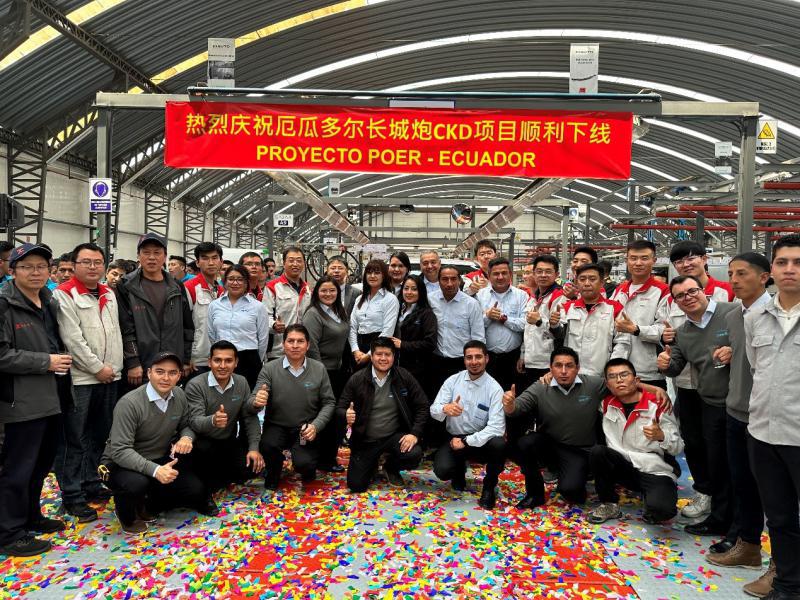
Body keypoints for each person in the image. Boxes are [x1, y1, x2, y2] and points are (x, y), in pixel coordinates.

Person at [503, 347, 671, 509]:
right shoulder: (541, 386)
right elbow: (516, 409)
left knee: (571, 492)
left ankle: (577, 476)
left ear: (578, 368)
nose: (563, 371)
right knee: (526, 443)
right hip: (552, 446)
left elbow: (620, 385)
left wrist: (655, 389)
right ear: (550, 368)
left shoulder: (592, 384)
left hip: (580, 451)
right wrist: (509, 405)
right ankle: (535, 494)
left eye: (569, 366)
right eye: (558, 366)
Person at [0, 243, 71, 557]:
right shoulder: (5, 305)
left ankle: (31, 516)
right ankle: (9, 532)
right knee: (17, 468)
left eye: (41, 266)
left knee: (41, 465)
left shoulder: (49, 301)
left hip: (52, 397)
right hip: (22, 401)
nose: (35, 272)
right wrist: (46, 362)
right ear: (12, 270)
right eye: (27, 266)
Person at [704, 254, 771, 582]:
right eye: (731, 273)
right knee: (741, 482)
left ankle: (781, 565)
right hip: (736, 409)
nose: (734, 280)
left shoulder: (775, 315)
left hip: (767, 415)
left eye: (742, 273)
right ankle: (747, 544)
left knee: (772, 489)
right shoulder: (733, 315)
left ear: (764, 277)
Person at [657, 240, 735, 522]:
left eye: (693, 292)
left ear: (704, 259)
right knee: (694, 440)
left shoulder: (729, 299)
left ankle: (728, 500)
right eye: (679, 260)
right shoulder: (672, 307)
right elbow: (670, 342)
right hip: (688, 384)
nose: (687, 297)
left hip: (725, 389)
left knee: (722, 446)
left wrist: (733, 350)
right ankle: (705, 491)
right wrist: (665, 358)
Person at [101, 352, 214, 535]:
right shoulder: (129, 403)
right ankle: (126, 513)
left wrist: (186, 438)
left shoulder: (179, 394)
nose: (165, 378)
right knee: (136, 484)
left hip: (159, 457)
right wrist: (155, 470)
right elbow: (120, 450)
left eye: (172, 373)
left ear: (179, 375)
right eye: (160, 372)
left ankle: (146, 501)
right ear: (149, 373)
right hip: (120, 463)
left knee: (194, 489)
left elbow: (187, 425)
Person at [744, 234, 800, 599]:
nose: (790, 269)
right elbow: (757, 367)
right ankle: (788, 585)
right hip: (764, 432)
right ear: (772, 270)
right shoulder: (755, 317)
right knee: (779, 517)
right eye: (782, 262)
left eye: (798, 262)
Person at [53, 242, 123, 523]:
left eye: (98, 262)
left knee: (99, 434)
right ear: (74, 265)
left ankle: (91, 482)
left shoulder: (109, 293)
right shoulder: (64, 294)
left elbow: (115, 333)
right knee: (74, 438)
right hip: (82, 379)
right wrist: (97, 368)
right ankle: (72, 495)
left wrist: (113, 369)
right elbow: (72, 339)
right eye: (86, 262)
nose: (93, 267)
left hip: (110, 376)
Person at [587, 358, 683, 525]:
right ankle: (609, 503)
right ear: (607, 385)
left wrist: (662, 436)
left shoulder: (658, 405)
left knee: (662, 511)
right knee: (598, 452)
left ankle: (653, 494)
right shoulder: (605, 404)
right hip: (623, 467)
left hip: (654, 470)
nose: (619, 380)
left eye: (624, 375)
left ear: (636, 380)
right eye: (613, 377)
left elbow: (678, 447)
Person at [337, 337, 428, 493]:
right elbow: (340, 407)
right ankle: (372, 464)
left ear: (394, 356)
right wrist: (346, 414)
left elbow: (423, 405)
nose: (383, 358)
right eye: (379, 354)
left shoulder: (403, 376)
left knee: (414, 454)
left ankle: (390, 467)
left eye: (388, 354)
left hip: (393, 436)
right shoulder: (357, 379)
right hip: (365, 440)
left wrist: (414, 433)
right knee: (356, 485)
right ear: (371, 356)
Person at [250, 324, 335, 489]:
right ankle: (274, 469)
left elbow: (329, 402)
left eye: (300, 341)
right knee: (268, 445)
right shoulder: (269, 368)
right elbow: (252, 400)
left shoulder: (319, 368)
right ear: (283, 344)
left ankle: (307, 466)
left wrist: (316, 426)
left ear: (308, 345)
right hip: (277, 425)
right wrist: (256, 401)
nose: (295, 345)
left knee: (305, 464)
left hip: (305, 428)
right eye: (290, 341)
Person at [430, 340, 506, 509]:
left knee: (499, 444)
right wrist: (445, 409)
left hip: (481, 440)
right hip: (454, 438)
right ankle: (458, 471)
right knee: (442, 470)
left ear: (487, 359)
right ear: (464, 360)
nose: (474, 361)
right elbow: (433, 410)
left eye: (478, 357)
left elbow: (497, 428)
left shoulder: (494, 388)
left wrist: (466, 441)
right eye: (469, 357)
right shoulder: (452, 381)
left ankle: (489, 487)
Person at [116, 233, 194, 388]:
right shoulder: (126, 285)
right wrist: (133, 362)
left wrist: (185, 359)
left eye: (157, 253)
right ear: (138, 256)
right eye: (146, 252)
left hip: (172, 363)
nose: (151, 257)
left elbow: (187, 326)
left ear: (165, 256)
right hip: (142, 366)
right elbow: (125, 327)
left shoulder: (177, 286)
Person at [184, 341, 264, 493]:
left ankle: (223, 473)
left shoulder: (241, 382)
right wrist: (213, 420)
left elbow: (249, 418)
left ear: (236, 363)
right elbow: (194, 421)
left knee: (251, 469)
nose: (222, 366)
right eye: (217, 360)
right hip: (203, 443)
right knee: (210, 484)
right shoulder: (196, 385)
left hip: (228, 440)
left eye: (228, 361)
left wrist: (254, 449)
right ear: (209, 362)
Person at [303, 275, 350, 472]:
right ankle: (322, 459)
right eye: (324, 290)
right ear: (317, 292)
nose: (328, 294)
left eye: (332, 290)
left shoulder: (339, 311)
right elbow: (312, 347)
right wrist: (321, 375)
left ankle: (329, 457)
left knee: (336, 417)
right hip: (322, 373)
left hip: (338, 372)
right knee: (324, 416)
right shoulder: (313, 314)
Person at [550, 263, 630, 376]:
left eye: (592, 279)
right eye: (582, 279)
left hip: (602, 375)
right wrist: (554, 325)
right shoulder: (567, 307)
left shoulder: (615, 308)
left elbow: (622, 342)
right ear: (576, 282)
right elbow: (559, 336)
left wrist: (613, 369)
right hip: (572, 374)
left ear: (601, 282)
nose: (587, 283)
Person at [610, 240, 671, 388]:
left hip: (648, 372)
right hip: (618, 368)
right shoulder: (619, 290)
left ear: (654, 260)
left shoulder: (663, 291)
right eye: (633, 258)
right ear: (627, 260)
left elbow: (664, 330)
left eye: (644, 258)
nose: (638, 263)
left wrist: (636, 329)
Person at [207, 265, 269, 389]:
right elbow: (211, 334)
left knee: (248, 395)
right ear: (224, 282)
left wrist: (256, 359)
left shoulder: (258, 307)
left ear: (246, 283)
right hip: (222, 360)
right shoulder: (214, 305)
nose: (235, 283)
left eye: (240, 279)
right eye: (231, 279)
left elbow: (263, 339)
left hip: (249, 360)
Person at [429, 266, 486, 391]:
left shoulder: (471, 304)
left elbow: (478, 337)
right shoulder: (431, 300)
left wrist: (476, 363)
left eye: (453, 279)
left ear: (459, 281)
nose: (449, 283)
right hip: (436, 361)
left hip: (461, 363)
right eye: (445, 279)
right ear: (438, 281)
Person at [475, 257, 528, 390]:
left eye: (504, 273)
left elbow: (525, 325)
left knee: (512, 394)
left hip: (513, 357)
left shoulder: (522, 296)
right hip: (488, 358)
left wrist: (504, 319)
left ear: (510, 274)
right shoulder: (480, 296)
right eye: (496, 274)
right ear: (488, 276)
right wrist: (487, 316)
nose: (500, 277)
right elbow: (474, 326)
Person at [518, 254, 564, 388]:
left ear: (556, 274)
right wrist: (523, 355)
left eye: (548, 271)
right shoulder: (534, 297)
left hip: (547, 363)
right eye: (539, 271)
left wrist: (539, 322)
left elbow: (561, 334)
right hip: (531, 361)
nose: (543, 275)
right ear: (534, 274)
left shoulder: (559, 297)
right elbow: (528, 329)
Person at [390, 274, 438, 400]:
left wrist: (403, 345)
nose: (409, 292)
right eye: (406, 288)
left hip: (417, 369)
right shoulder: (397, 310)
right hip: (396, 365)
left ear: (421, 292)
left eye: (414, 289)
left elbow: (430, 343)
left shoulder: (427, 314)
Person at [349, 259, 400, 369]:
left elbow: (387, 331)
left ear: (384, 275)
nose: (372, 276)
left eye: (377, 272)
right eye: (369, 272)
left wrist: (368, 355)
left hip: (380, 349)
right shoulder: (359, 299)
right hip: (359, 349)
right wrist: (355, 350)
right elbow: (352, 327)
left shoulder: (390, 299)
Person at [264, 246, 310, 361]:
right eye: (291, 260)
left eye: (299, 261)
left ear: (304, 264)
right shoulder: (272, 287)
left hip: (302, 350)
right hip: (279, 350)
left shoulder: (308, 289)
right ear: (284, 263)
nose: (295, 264)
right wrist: (274, 325)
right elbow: (264, 316)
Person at [185, 242, 224, 376]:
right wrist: (186, 357)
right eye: (205, 258)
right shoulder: (189, 288)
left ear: (221, 262)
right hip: (197, 360)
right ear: (197, 262)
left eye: (214, 258)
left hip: (221, 357)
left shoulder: (223, 290)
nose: (211, 263)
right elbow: (182, 324)